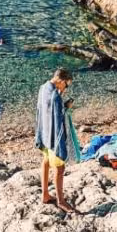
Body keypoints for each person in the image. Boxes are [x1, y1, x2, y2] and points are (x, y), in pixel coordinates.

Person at [35, 68, 74, 213]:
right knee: (60, 168)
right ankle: (61, 201)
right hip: (52, 138)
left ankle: (45, 194)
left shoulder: (43, 88)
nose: (66, 88)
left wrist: (60, 96)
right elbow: (59, 118)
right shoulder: (55, 97)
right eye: (67, 85)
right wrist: (66, 106)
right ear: (61, 81)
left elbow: (43, 110)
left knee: (45, 162)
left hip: (44, 133)